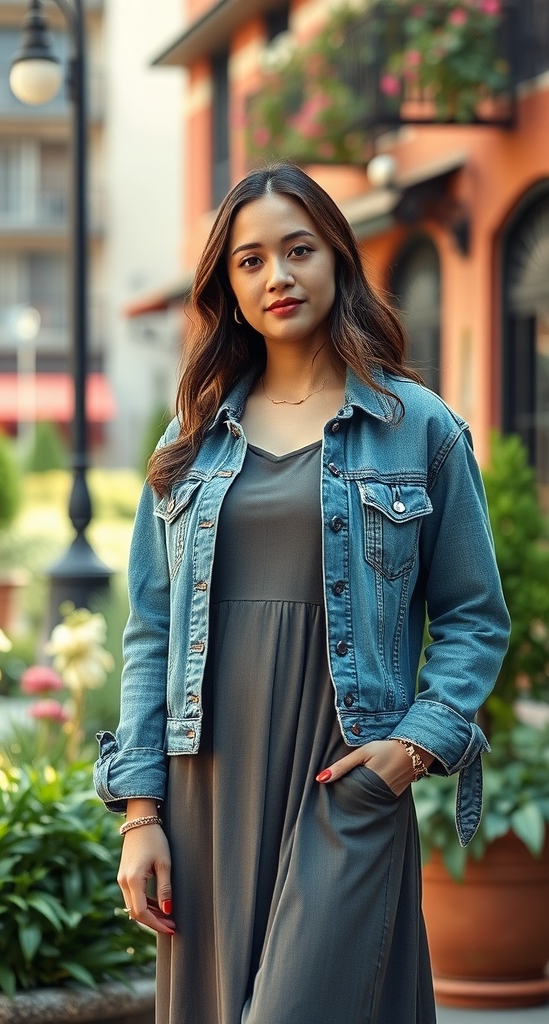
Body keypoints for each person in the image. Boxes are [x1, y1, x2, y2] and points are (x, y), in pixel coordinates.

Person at [94, 162, 510, 1024]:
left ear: (338, 260)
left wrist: (418, 746)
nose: (276, 276)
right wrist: (142, 814)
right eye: (250, 261)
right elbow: (152, 629)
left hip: (345, 777)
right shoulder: (190, 442)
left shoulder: (418, 427)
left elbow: (474, 615)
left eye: (298, 250)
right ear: (229, 288)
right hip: (206, 780)